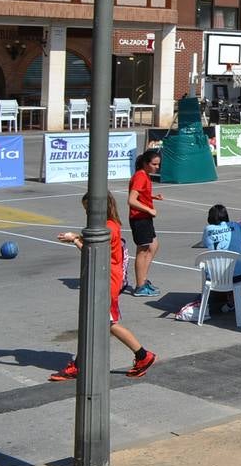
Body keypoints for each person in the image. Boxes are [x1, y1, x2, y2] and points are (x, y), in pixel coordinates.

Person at [50, 191, 157, 381]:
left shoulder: (108, 227)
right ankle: (80, 363)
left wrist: (75, 240)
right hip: (107, 279)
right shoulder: (110, 225)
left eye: (88, 210)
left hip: (107, 280)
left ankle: (143, 355)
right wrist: (77, 236)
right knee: (97, 323)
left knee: (108, 323)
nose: (87, 214)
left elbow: (96, 253)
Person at [127, 150, 163, 296]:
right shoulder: (140, 176)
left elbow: (141, 195)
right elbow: (131, 200)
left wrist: (153, 197)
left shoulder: (145, 175)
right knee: (142, 251)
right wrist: (149, 209)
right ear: (145, 163)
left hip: (145, 217)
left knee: (154, 245)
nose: (157, 167)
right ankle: (140, 286)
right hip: (139, 218)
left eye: (158, 164)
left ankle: (143, 279)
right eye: (154, 164)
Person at [202, 204, 241, 313]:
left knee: (223, 264)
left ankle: (226, 298)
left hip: (215, 276)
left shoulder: (208, 229)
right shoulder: (235, 226)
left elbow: (205, 243)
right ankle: (233, 300)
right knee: (240, 267)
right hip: (237, 276)